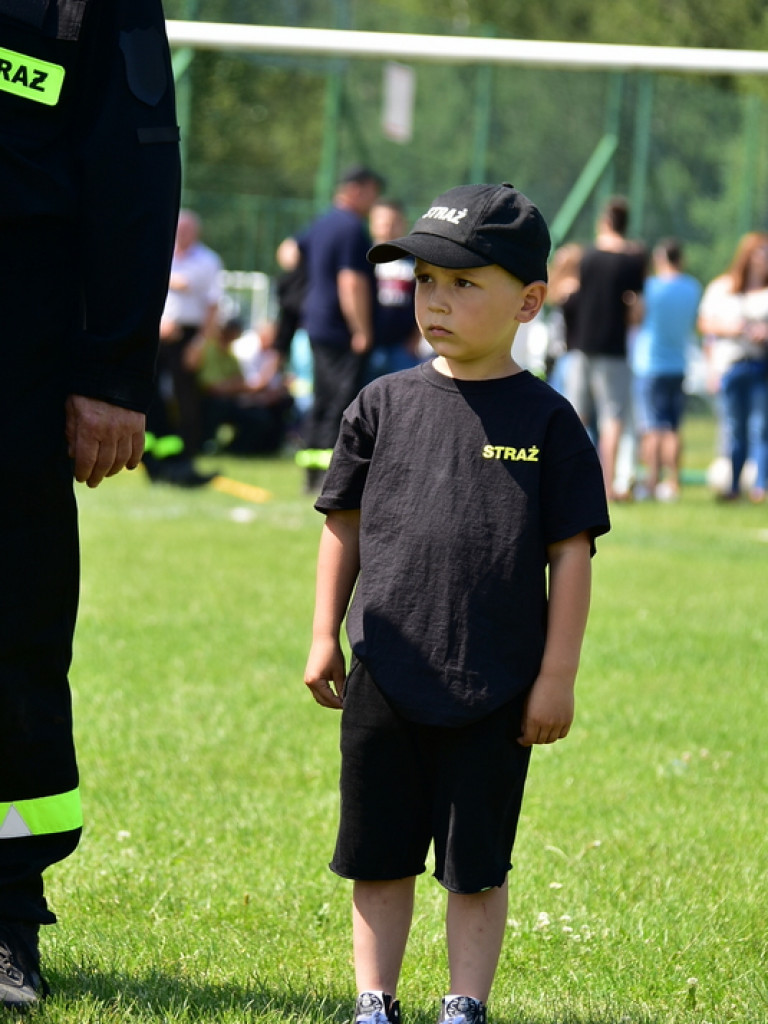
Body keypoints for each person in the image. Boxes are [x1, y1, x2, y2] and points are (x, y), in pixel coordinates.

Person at [303, 183, 611, 1024]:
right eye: (424, 281)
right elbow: (344, 526)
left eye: (464, 283)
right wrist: (325, 633)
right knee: (378, 852)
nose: (436, 300)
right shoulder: (381, 404)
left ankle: (463, 1005)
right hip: (386, 672)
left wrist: (557, 676)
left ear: (529, 301)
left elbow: (571, 556)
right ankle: (376, 1000)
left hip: (498, 682)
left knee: (476, 863)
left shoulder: (550, 421)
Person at [0, 0, 180, 1009]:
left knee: (11, 625)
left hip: (17, 338)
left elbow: (137, 158)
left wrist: (112, 368)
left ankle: (5, 918)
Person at [292, 165, 385, 491]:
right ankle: (332, 479)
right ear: (358, 189)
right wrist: (361, 328)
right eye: (373, 193)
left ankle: (311, 474)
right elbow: (351, 282)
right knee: (341, 402)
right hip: (339, 328)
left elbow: (288, 253)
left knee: (321, 400)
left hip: (316, 322)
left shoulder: (321, 223)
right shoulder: (351, 228)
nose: (374, 201)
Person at [564, 196, 647, 500]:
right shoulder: (632, 260)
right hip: (613, 348)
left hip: (582, 345)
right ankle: (607, 487)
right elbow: (637, 311)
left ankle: (566, 482)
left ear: (604, 221)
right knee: (612, 418)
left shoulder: (586, 257)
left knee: (576, 416)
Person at [698, 231, 768, 502]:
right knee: (734, 428)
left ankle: (760, 486)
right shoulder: (723, 287)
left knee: (761, 427)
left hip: (761, 364)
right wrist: (731, 329)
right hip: (732, 365)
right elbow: (705, 324)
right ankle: (734, 485)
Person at [631, 239, 702, 500]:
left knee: (652, 427)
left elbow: (636, 316)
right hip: (678, 363)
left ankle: (651, 482)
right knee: (672, 426)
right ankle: (673, 481)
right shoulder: (692, 287)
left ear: (660, 259)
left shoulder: (650, 288)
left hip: (650, 364)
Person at [158, 209, 223, 455]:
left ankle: (188, 448)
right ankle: (152, 447)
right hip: (157, 333)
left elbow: (213, 305)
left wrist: (199, 343)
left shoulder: (208, 260)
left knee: (185, 395)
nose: (182, 234)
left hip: (187, 336)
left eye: (187, 229)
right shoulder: (160, 253)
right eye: (179, 228)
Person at [365, 199, 422, 382]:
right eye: (383, 222)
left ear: (403, 223)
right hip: (368, 346)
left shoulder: (414, 261)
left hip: (401, 347)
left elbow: (421, 301)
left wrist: (415, 339)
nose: (388, 227)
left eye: (394, 222)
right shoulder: (362, 259)